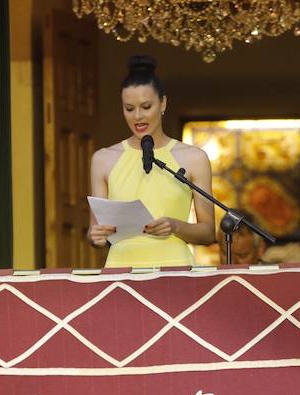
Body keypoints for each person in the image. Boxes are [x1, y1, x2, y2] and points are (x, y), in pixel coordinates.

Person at [87, 56, 215, 268]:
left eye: (146, 106)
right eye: (129, 109)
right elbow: (95, 232)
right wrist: (95, 236)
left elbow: (208, 232)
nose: (138, 116)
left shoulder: (194, 158)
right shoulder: (103, 159)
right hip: (120, 272)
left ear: (163, 103)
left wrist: (175, 226)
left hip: (175, 271)